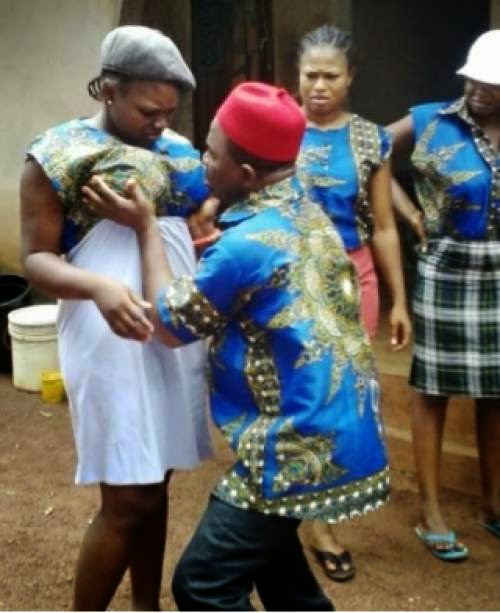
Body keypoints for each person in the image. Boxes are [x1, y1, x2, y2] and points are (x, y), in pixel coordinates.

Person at [83, 81, 391, 611]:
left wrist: (146, 228)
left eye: (211, 152)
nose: (201, 161)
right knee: (277, 570)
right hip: (344, 425)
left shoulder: (244, 247)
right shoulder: (305, 210)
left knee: (202, 583)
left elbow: (169, 322)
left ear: (246, 175)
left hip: (295, 446)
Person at [20, 26, 213, 610]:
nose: (161, 123)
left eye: (169, 112)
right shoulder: (57, 155)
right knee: (128, 499)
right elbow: (36, 258)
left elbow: (190, 219)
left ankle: (145, 605)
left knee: (157, 481)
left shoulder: (178, 151)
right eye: (148, 111)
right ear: (108, 89)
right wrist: (100, 288)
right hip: (107, 328)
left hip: (171, 324)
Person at [296, 25, 412, 581]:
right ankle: (287, 499)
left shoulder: (369, 140)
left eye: (331, 76)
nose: (319, 86)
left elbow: (384, 227)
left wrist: (398, 301)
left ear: (351, 78)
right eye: (310, 75)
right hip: (289, 273)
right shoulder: (277, 124)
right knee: (294, 389)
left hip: (350, 278)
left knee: (339, 393)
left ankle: (319, 519)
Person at [387, 29, 500, 561]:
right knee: (432, 390)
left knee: (496, 391)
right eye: (472, 78)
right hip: (447, 266)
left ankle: (493, 503)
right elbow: (365, 152)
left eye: (491, 83)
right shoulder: (432, 120)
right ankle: (430, 511)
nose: (477, 89)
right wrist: (407, 212)